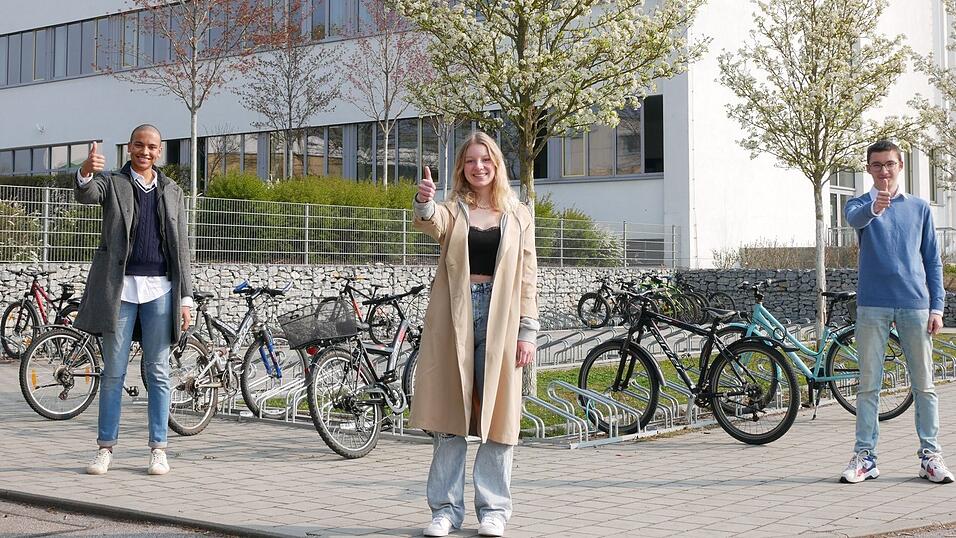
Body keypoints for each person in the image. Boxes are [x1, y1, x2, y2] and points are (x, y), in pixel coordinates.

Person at [411, 132, 538, 537]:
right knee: (450, 417)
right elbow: (431, 223)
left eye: (485, 159)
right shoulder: (454, 210)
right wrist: (425, 200)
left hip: (502, 320)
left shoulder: (519, 213)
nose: (478, 166)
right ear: (462, 168)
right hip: (456, 317)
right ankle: (445, 510)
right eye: (470, 161)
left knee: (498, 418)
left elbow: (528, 278)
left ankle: (494, 511)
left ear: (497, 164)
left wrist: (528, 332)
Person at [74, 125, 193, 476]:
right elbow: (86, 194)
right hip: (121, 291)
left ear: (160, 151)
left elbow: (182, 247)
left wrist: (186, 298)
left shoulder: (172, 190)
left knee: (158, 371)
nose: (145, 151)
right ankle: (105, 449)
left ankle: (159, 449)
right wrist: (85, 171)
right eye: (139, 145)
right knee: (113, 372)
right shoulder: (112, 182)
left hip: (161, 290)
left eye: (152, 146)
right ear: (129, 148)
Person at [841, 139, 953, 484]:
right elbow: (854, 219)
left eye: (889, 164)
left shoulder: (920, 208)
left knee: (924, 385)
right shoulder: (859, 203)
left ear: (900, 166)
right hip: (872, 304)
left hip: (915, 304)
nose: (884, 171)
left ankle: (930, 456)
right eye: (876, 165)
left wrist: (938, 306)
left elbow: (932, 260)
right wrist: (876, 206)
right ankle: (865, 457)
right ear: (869, 169)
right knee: (868, 385)